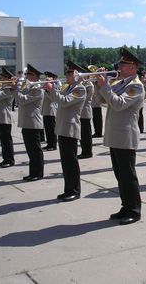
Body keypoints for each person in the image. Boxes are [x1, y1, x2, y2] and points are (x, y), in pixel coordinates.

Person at [95, 47, 144, 225]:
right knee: (120, 174)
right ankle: (126, 205)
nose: (119, 66)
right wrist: (98, 84)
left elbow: (118, 104)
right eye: (120, 63)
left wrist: (105, 86)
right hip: (116, 134)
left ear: (133, 67)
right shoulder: (119, 83)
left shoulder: (136, 86)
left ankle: (134, 210)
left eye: (123, 64)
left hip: (125, 135)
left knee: (128, 175)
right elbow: (101, 100)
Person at [44, 61, 86, 201]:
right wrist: (48, 90)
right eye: (67, 72)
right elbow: (55, 100)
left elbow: (64, 101)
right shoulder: (68, 87)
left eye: (69, 73)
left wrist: (52, 90)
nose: (67, 75)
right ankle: (68, 189)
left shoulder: (80, 89)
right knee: (65, 162)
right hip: (63, 126)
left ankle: (75, 190)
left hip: (70, 127)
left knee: (71, 162)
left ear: (76, 75)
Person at [15, 64, 45, 182]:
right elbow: (18, 98)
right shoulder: (28, 87)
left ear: (35, 76)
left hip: (33, 121)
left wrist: (17, 87)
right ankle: (32, 172)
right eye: (26, 74)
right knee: (30, 150)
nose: (26, 76)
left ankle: (38, 173)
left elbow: (22, 99)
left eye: (28, 74)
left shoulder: (37, 88)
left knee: (35, 150)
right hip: (26, 121)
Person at [0, 68, 15, 167]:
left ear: (6, 78)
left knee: (6, 140)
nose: (0, 78)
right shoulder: (3, 87)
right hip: (1, 116)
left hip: (5, 116)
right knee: (3, 140)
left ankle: (9, 160)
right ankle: (5, 158)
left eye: (2, 76)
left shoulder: (8, 88)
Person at [78, 65, 93, 159]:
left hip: (85, 112)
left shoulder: (89, 85)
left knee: (86, 135)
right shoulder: (83, 85)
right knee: (82, 134)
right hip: (81, 112)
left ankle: (87, 152)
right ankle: (84, 151)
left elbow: (83, 97)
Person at [41, 71, 59, 151]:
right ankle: (49, 143)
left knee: (52, 129)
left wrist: (48, 90)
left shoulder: (54, 85)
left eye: (49, 76)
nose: (47, 78)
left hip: (51, 110)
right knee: (47, 129)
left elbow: (53, 98)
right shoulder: (47, 85)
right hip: (46, 109)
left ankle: (53, 144)